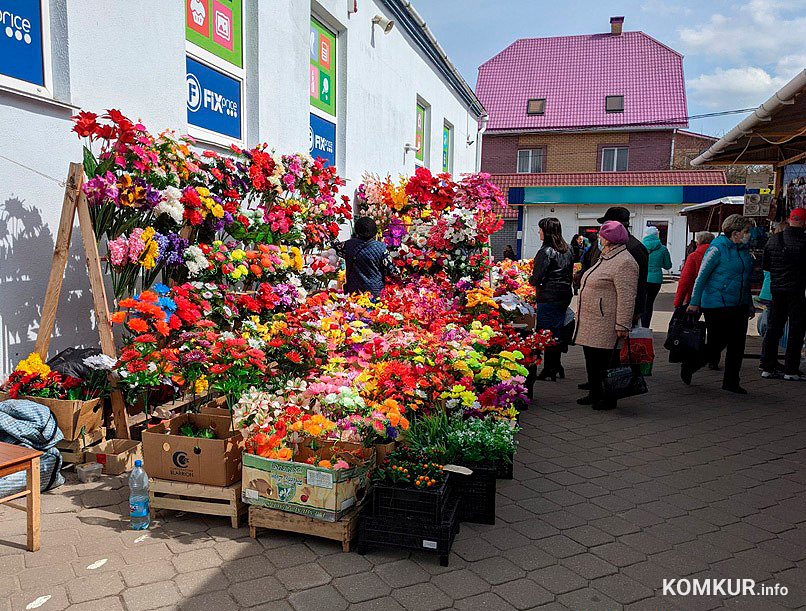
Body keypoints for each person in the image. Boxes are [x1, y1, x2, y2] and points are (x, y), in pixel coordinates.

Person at [685, 214, 755, 394]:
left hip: (739, 304)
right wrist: (694, 302)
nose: (749, 235)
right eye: (746, 231)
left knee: (738, 344)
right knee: (717, 343)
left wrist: (749, 303)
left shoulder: (744, 250)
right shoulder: (716, 249)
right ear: (736, 232)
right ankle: (692, 364)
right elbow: (701, 276)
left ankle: (731, 381)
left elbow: (745, 279)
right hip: (717, 304)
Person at [573, 221, 639, 410]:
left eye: (602, 236)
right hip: (592, 321)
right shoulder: (607, 257)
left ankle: (608, 397)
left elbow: (627, 297)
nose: (599, 239)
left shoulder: (624, 262)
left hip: (606, 322)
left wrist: (622, 325)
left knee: (605, 363)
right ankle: (595, 393)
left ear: (609, 239)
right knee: (592, 361)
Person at [760, 209, 806, 381]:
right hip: (797, 291)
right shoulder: (804, 241)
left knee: (774, 327)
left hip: (777, 289)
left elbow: (766, 266)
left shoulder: (773, 240)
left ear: (789, 220)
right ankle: (791, 370)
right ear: (804, 222)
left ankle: (767, 366)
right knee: (796, 329)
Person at [585, 207, 649, 323]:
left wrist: (636, 310)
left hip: (615, 309)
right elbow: (587, 263)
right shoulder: (598, 244)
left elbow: (640, 282)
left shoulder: (635, 248)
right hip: (593, 306)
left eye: (606, 224)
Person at [529, 218, 574, 381]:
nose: (538, 232)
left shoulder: (546, 251)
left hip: (548, 296)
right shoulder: (568, 249)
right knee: (556, 330)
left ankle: (550, 367)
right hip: (563, 295)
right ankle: (555, 365)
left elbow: (537, 276)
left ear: (546, 232)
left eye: (540, 229)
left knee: (546, 333)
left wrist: (531, 280)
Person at [334, 216, 398, 297]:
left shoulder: (347, 245)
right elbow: (392, 271)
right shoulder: (381, 248)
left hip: (354, 290)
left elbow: (336, 247)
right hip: (375, 291)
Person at [641, 226, 672, 328]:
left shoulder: (640, 247)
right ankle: (646, 327)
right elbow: (668, 265)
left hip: (643, 278)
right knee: (649, 304)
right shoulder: (663, 249)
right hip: (656, 279)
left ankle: (638, 325)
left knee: (641, 302)